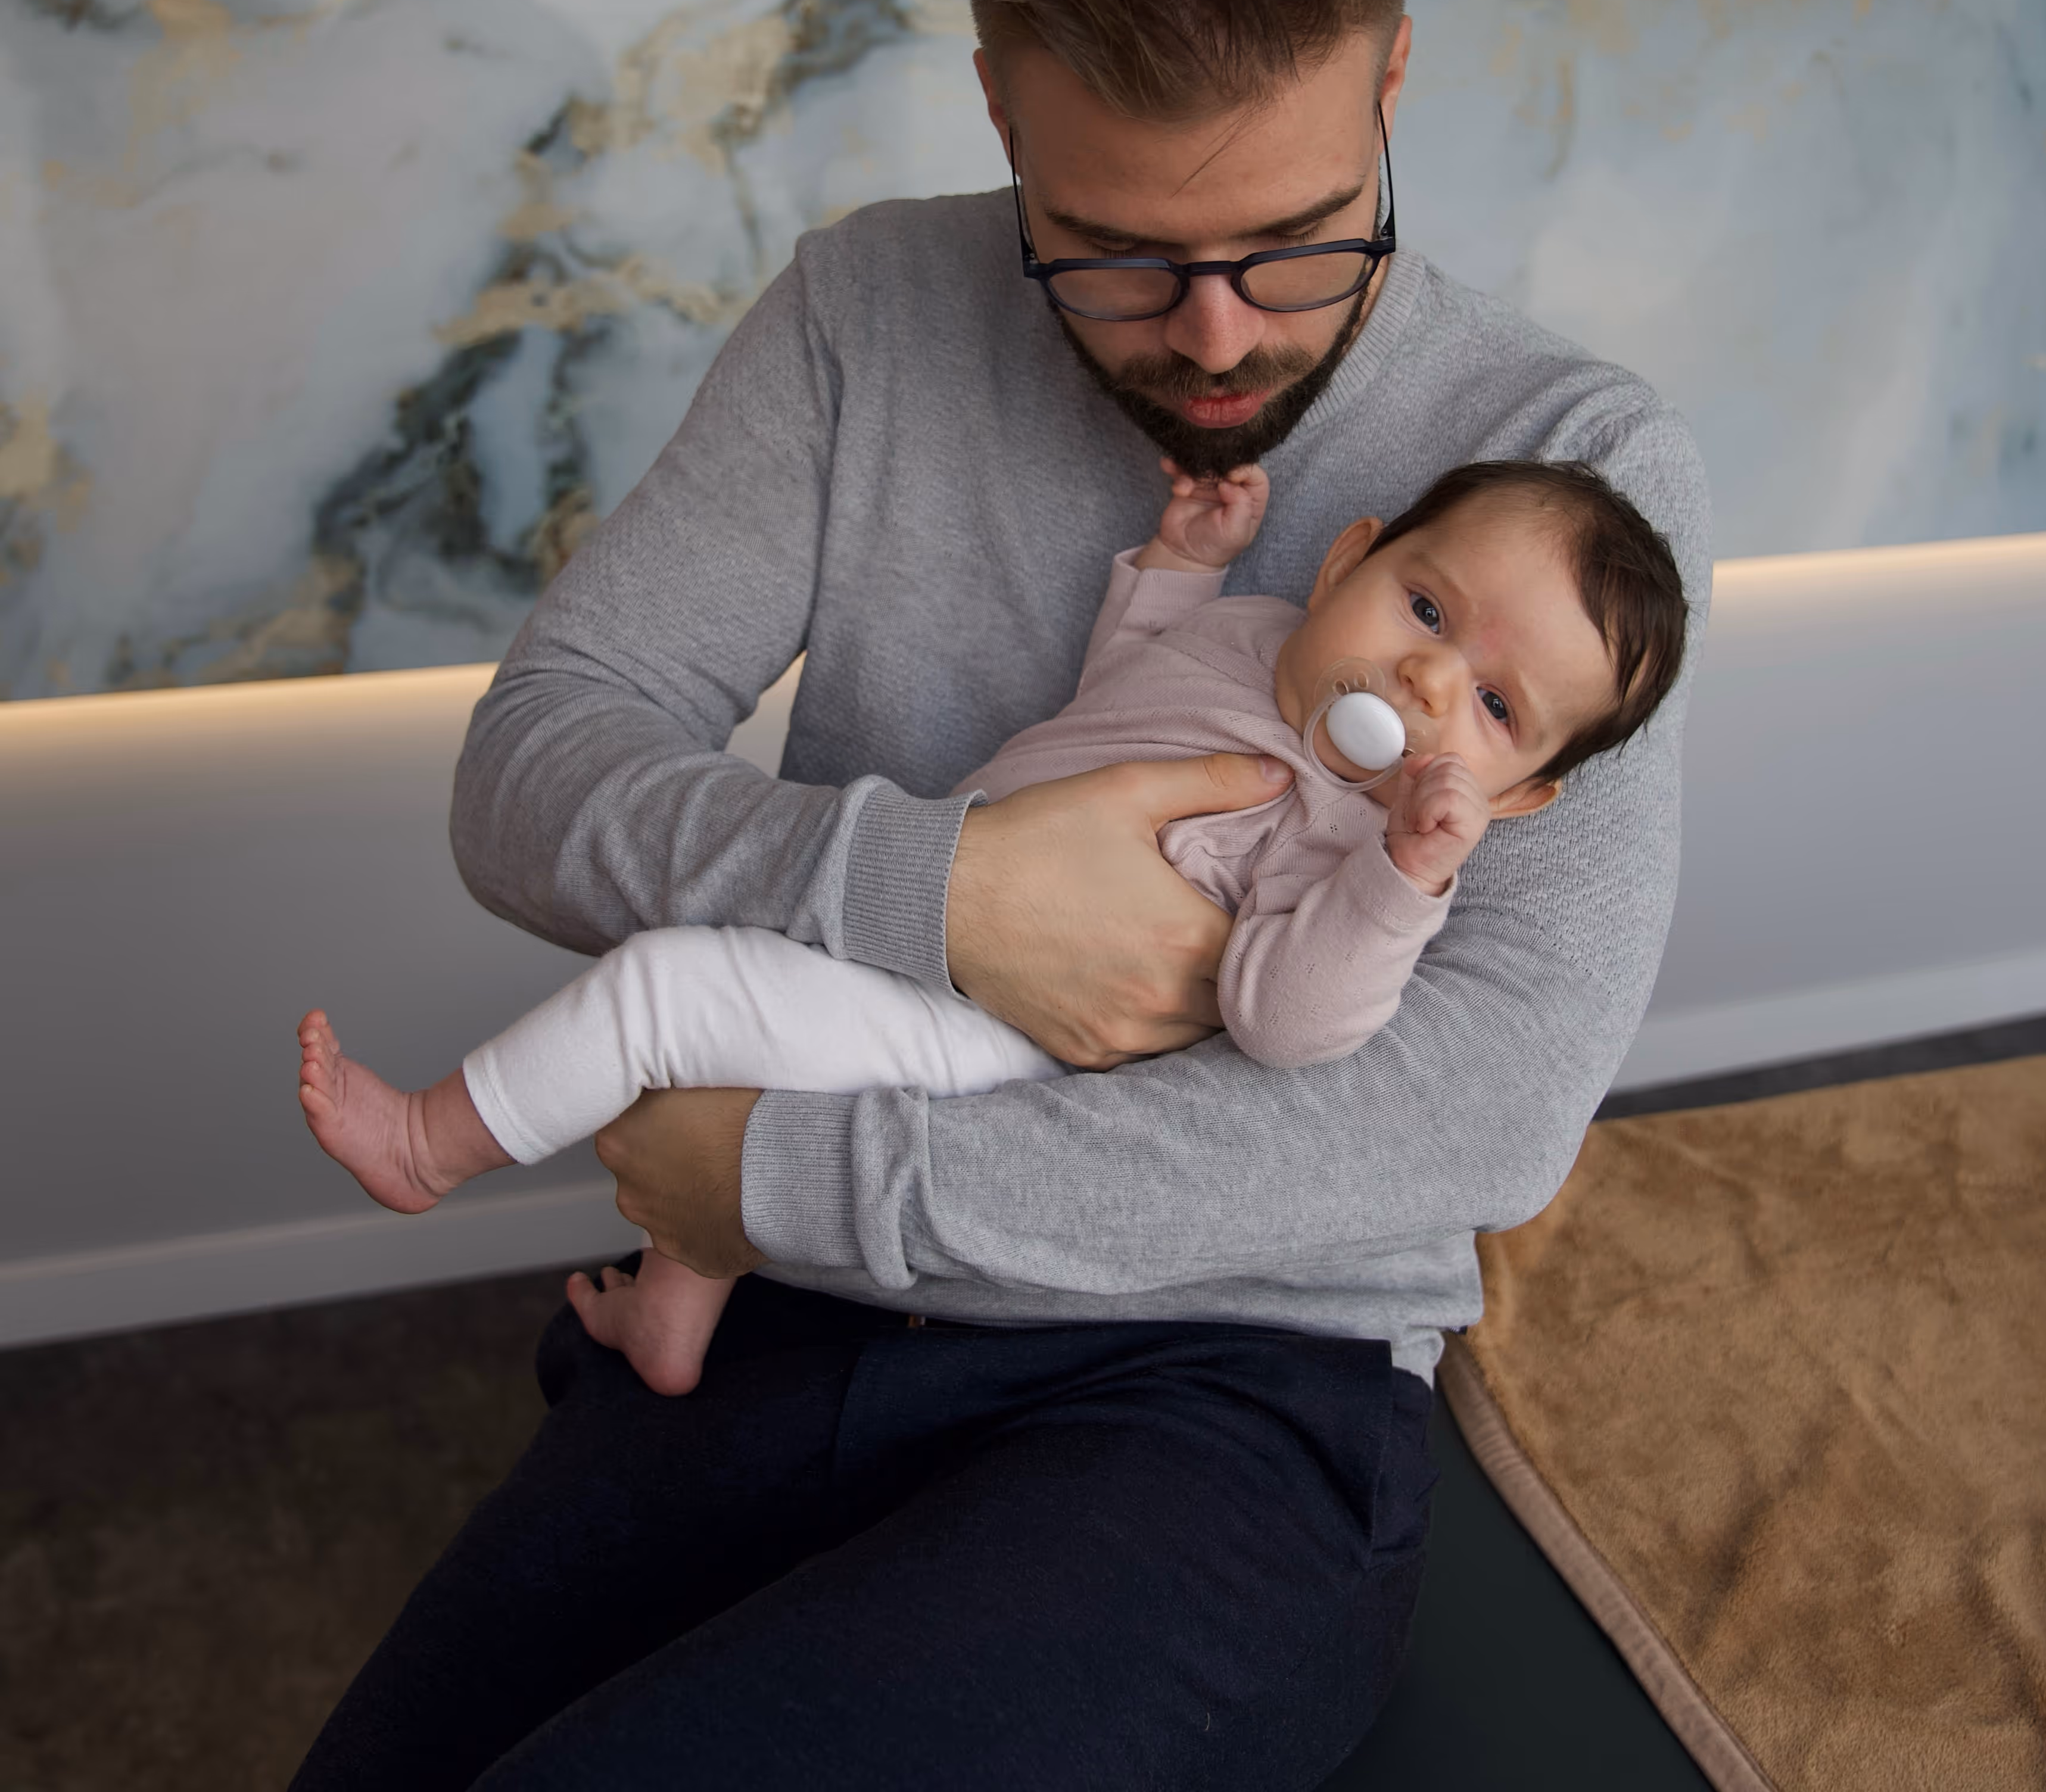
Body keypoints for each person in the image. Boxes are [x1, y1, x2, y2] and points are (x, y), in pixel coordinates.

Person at [290, 0, 1711, 1791]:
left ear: (1393, 73)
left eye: (1293, 239)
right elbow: (533, 768)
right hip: (789, 1301)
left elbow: (1483, 1117)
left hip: (1220, 1376)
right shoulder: (867, 312)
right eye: (1120, 252)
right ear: (995, 107)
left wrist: (786, 1175)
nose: (1216, 336)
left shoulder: (1580, 480)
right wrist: (936, 892)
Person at [294, 453, 1687, 1397]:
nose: (1430, 679)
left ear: (1521, 798)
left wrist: (1401, 880)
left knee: (669, 987)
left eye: (1496, 712)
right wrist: (1179, 566)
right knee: (730, 1057)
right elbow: (1115, 692)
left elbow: (1290, 1016)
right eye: (1426, 607)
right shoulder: (1260, 638)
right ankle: (674, 1319)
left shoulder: (1348, 841)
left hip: (1003, 1040)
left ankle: (431, 1142)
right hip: (927, 916)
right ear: (1347, 561)